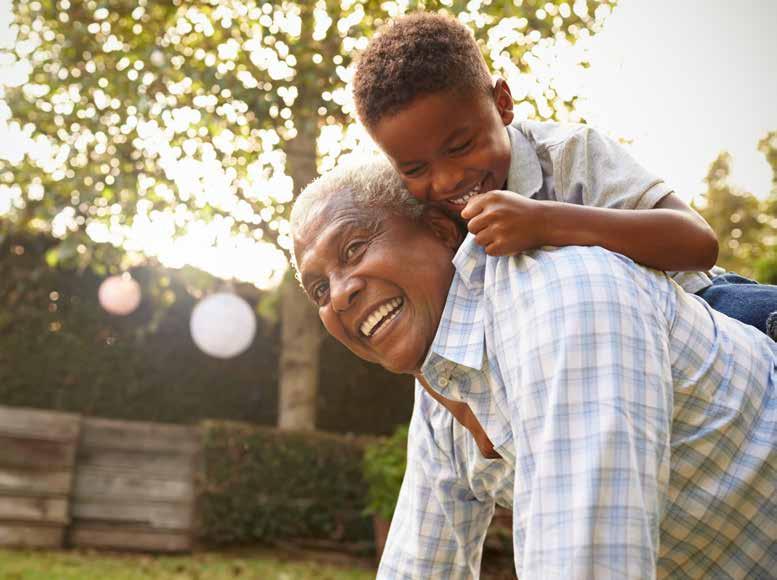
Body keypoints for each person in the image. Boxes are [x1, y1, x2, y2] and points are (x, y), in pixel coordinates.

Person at [290, 157, 776, 579]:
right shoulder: (443, 394)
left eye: (353, 248)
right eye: (319, 290)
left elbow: (585, 566)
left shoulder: (563, 297)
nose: (340, 294)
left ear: (440, 230)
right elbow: (418, 566)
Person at [352, 12, 777, 340]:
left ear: (502, 104)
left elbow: (698, 244)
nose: (445, 181)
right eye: (415, 168)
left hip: (704, 307)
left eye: (461, 146)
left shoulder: (568, 153)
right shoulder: (428, 221)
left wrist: (546, 222)